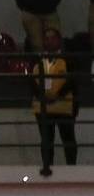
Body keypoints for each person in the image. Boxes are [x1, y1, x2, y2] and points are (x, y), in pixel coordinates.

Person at [31, 28, 78, 176]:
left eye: (52, 38)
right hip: (42, 107)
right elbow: (31, 81)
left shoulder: (68, 59)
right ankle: (47, 167)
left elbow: (72, 81)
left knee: (68, 138)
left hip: (64, 106)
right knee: (46, 140)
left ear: (59, 40)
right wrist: (42, 96)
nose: (49, 41)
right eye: (46, 38)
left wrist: (57, 96)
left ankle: (72, 169)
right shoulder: (36, 58)